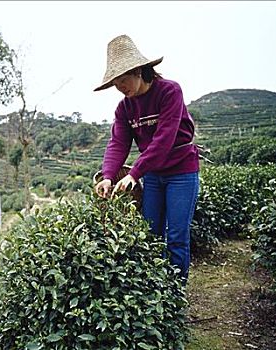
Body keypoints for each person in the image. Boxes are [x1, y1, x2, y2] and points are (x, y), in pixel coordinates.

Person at [94, 34, 200, 284]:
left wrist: (133, 173)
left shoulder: (169, 91)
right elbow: (118, 143)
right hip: (153, 174)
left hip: (181, 173)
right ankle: (154, 290)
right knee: (150, 233)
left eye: (123, 79)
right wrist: (108, 176)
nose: (120, 87)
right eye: (115, 83)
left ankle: (176, 293)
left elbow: (164, 139)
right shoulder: (124, 108)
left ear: (140, 70)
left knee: (176, 235)